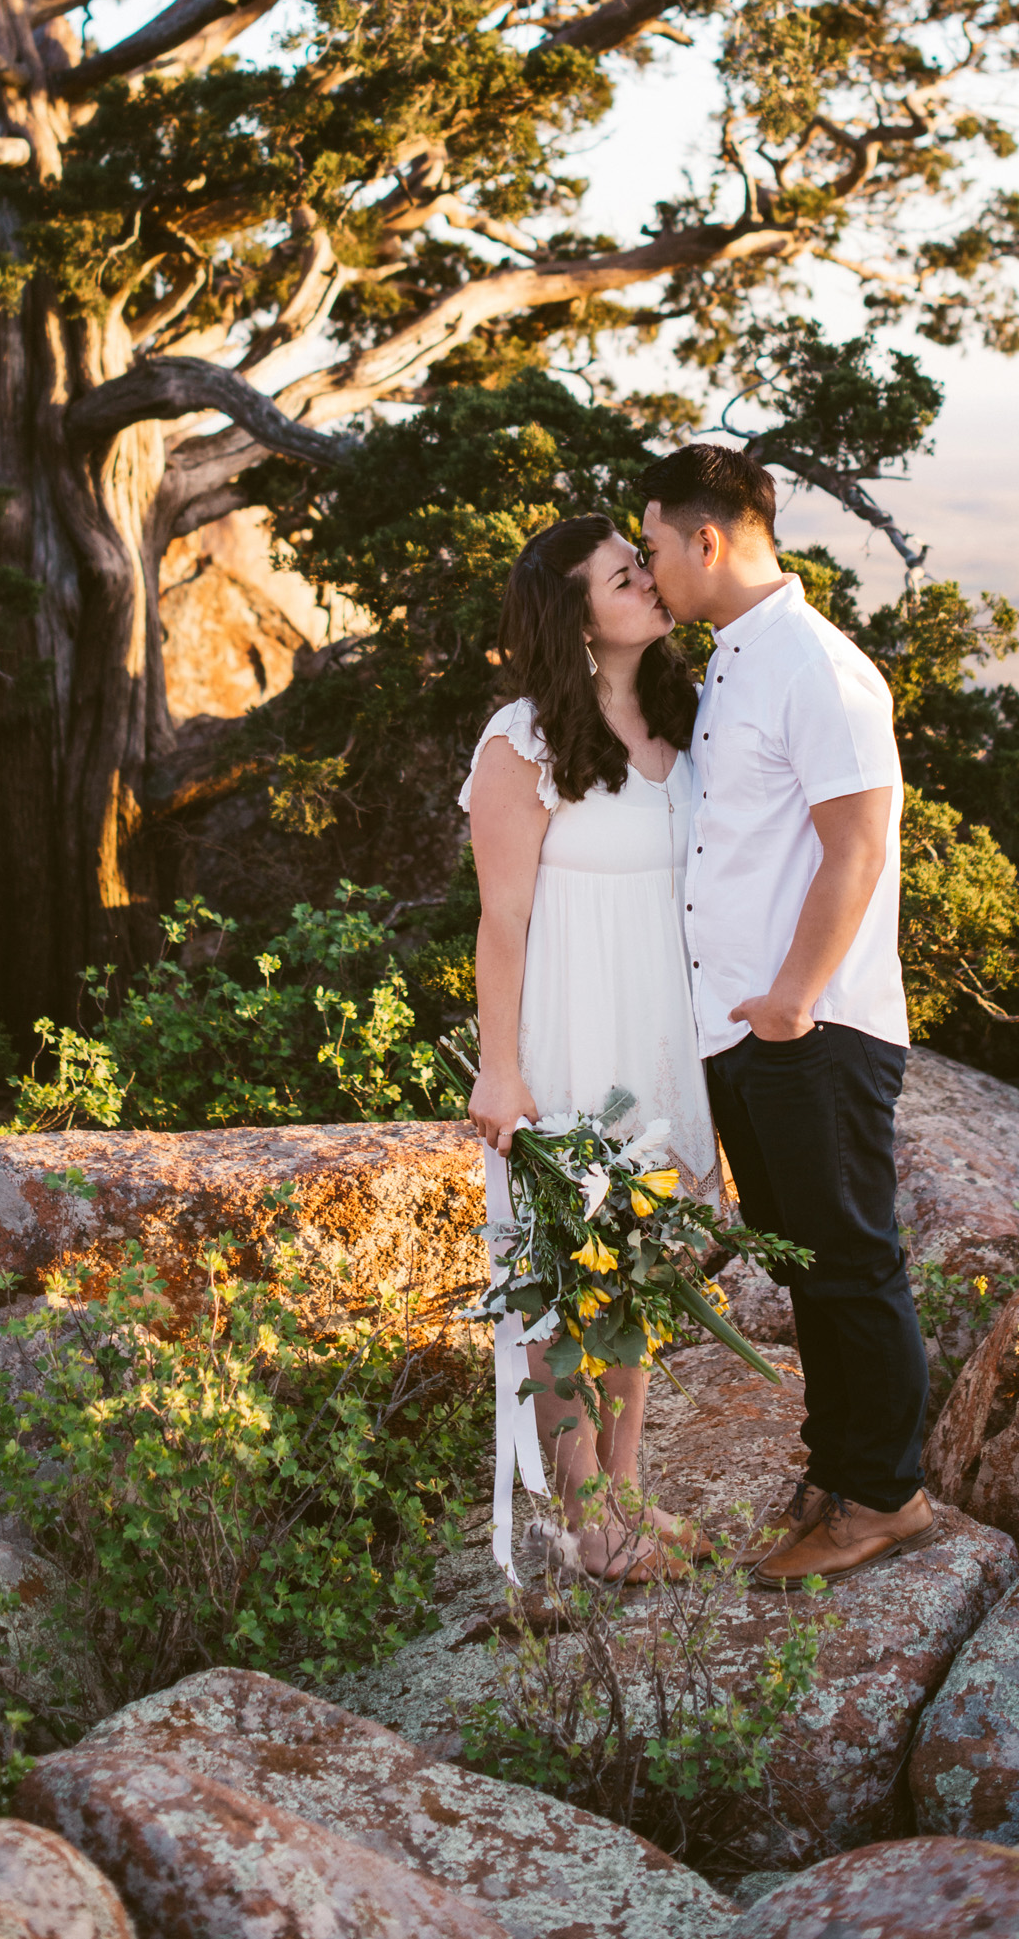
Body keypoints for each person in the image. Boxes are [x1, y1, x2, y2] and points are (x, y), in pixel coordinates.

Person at [640, 444, 936, 1586]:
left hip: (811, 1029)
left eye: (656, 545)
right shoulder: (731, 664)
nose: (652, 568)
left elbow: (859, 842)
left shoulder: (817, 665)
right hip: (753, 1032)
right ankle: (841, 1466)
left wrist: (795, 1001)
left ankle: (884, 1498)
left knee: (853, 1262)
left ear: (704, 539)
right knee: (809, 1264)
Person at [463, 513, 721, 1583]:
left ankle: (623, 1493)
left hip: (663, 1028)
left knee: (643, 1271)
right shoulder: (519, 741)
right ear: (576, 619)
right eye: (626, 579)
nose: (652, 588)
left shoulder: (684, 715)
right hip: (570, 1024)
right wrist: (499, 1066)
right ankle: (581, 1518)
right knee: (569, 1279)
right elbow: (502, 920)